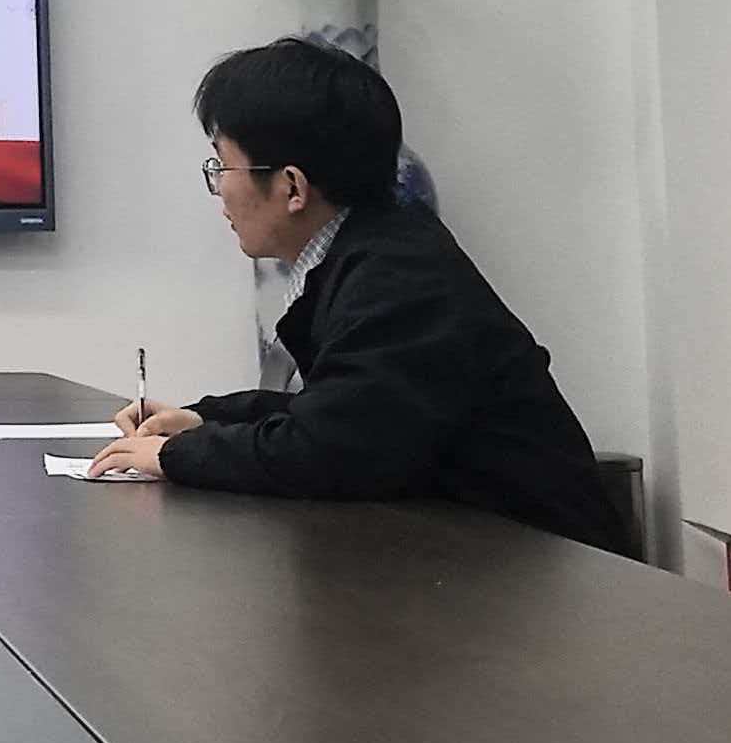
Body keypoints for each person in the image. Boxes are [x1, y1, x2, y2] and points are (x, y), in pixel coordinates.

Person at [91, 40, 630, 548]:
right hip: (473, 555)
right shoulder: (371, 249)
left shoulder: (400, 278)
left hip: (548, 574)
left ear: (293, 187)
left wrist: (177, 455)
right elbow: (345, 410)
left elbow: (328, 450)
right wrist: (207, 420)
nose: (219, 190)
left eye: (222, 165)